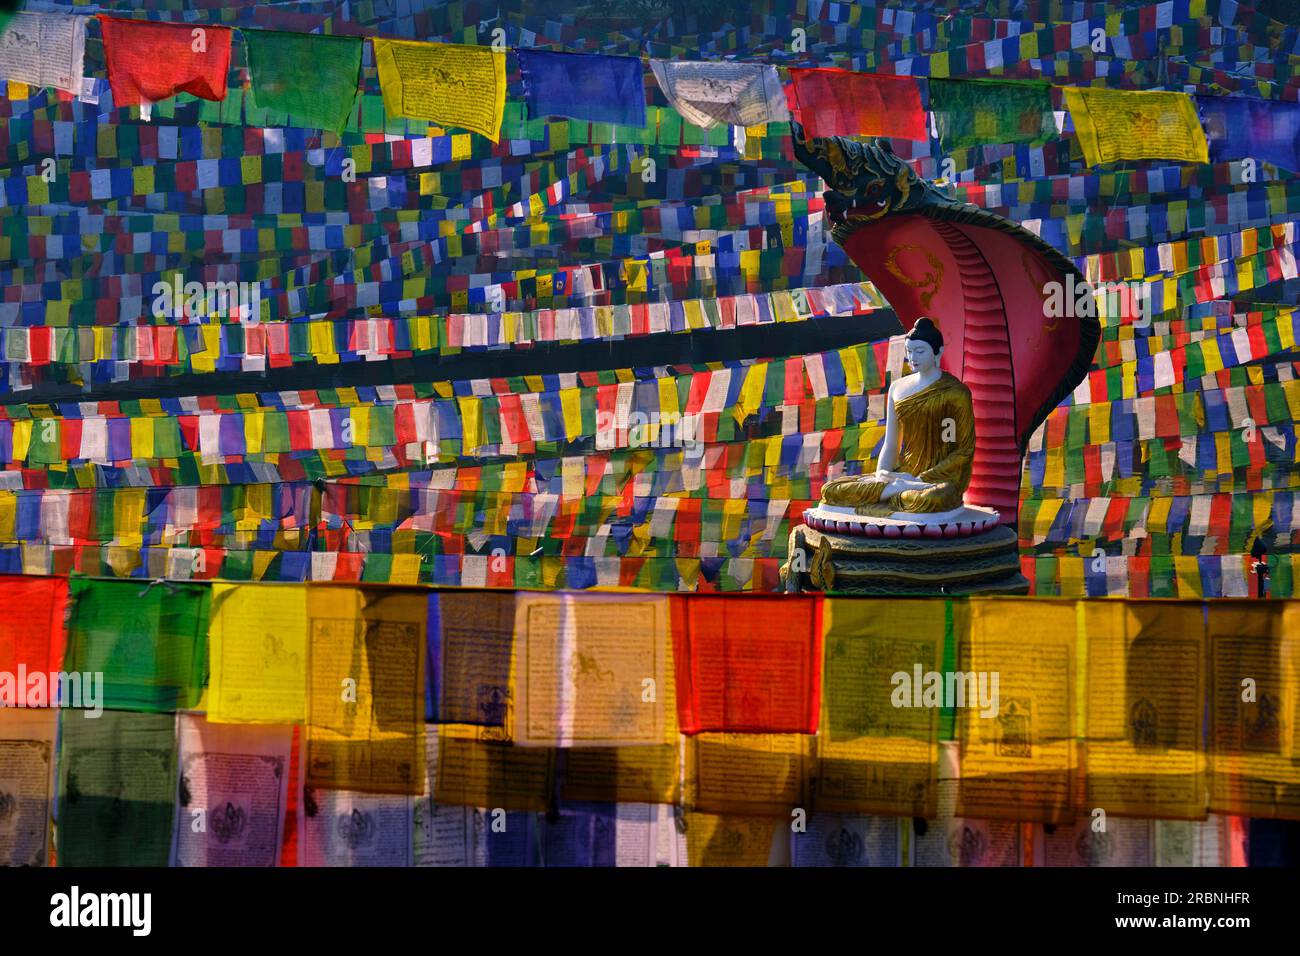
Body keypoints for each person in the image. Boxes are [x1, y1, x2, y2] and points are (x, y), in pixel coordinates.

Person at [819, 317, 976, 516]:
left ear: (938, 352)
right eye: (909, 352)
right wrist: (881, 475)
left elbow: (961, 451)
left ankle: (896, 491)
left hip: (936, 479)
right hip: (902, 474)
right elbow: (892, 443)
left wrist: (919, 481)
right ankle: (891, 490)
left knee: (932, 499)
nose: (913, 358)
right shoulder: (897, 388)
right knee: (832, 490)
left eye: (920, 352)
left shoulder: (955, 393)